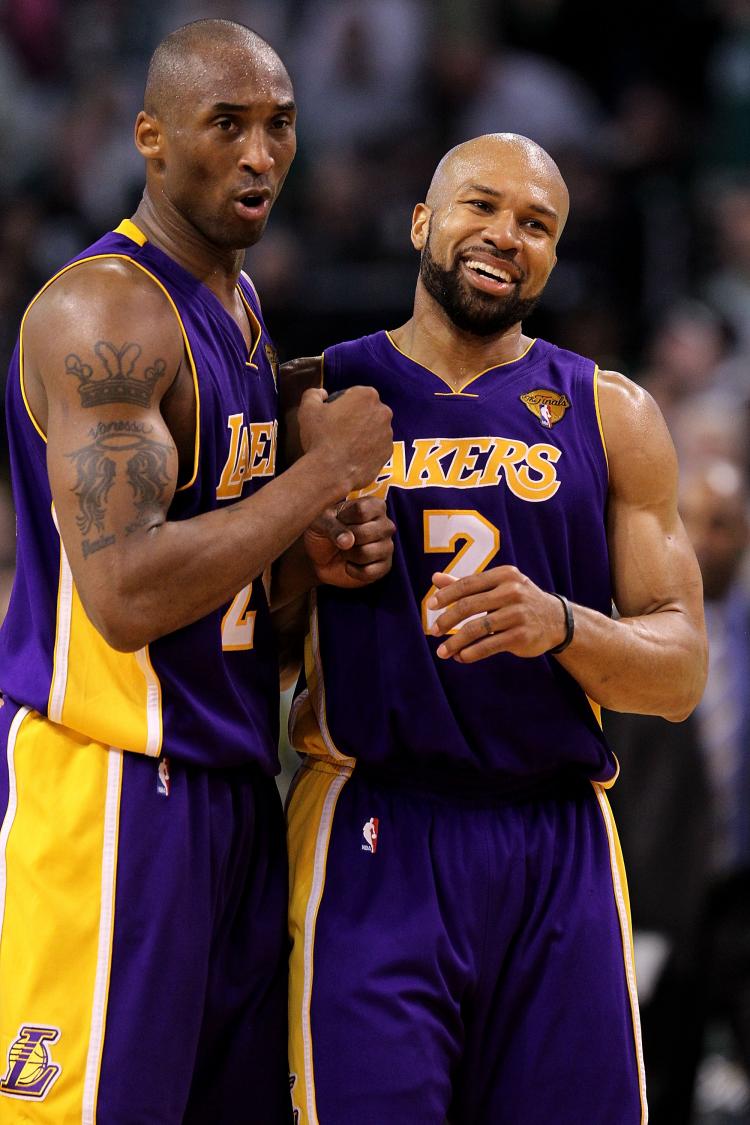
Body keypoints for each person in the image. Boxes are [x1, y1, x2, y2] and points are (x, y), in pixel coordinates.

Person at [0, 18, 393, 1125]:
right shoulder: (108, 312)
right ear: (152, 138)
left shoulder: (242, 312)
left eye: (280, 125)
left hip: (225, 784)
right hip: (114, 784)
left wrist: (318, 557)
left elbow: (235, 590)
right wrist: (320, 482)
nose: (261, 154)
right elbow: (125, 595)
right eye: (228, 125)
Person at [283, 132, 707, 1124]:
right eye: (481, 206)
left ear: (555, 257)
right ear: (424, 222)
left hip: (555, 838)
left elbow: (681, 672)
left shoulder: (615, 414)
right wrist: (303, 556)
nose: (505, 234)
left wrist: (560, 625)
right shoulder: (315, 394)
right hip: (375, 825)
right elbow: (239, 627)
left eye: (536, 224)